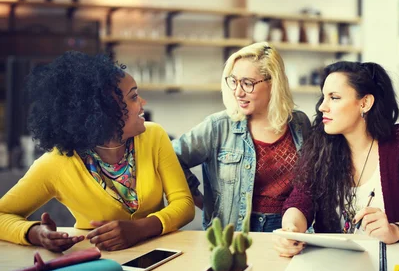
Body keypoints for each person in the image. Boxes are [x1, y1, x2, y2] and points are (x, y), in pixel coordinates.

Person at [0, 51, 195, 252]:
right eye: (134, 97)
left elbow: (184, 203)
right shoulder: (56, 163)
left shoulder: (154, 136)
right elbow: (2, 215)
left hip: (160, 256)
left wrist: (139, 229)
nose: (142, 103)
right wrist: (36, 234)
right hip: (98, 262)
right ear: (104, 112)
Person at [275, 61, 399, 257]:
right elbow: (301, 199)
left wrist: (396, 230)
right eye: (324, 97)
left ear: (365, 103)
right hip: (334, 262)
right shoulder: (320, 142)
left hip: (390, 260)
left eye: (334, 98)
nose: (322, 107)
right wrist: (290, 229)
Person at [172, 42, 311, 232]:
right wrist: (199, 199)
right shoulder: (218, 126)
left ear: (273, 83)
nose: (238, 92)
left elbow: (309, 182)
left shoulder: (299, 123)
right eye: (234, 81)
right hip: (234, 233)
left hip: (289, 230)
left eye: (247, 83)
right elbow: (170, 157)